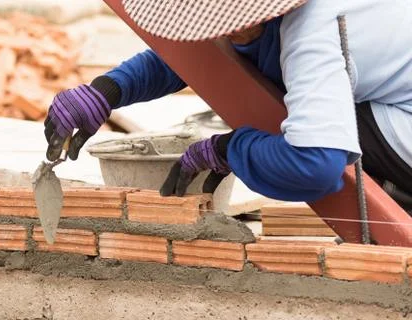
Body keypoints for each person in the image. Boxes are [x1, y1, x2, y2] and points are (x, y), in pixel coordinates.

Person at [44, 0, 412, 211]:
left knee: (292, 123)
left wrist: (230, 149)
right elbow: (208, 54)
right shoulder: (277, 17)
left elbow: (316, 164)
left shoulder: (310, 31)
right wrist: (108, 90)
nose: (226, 32)